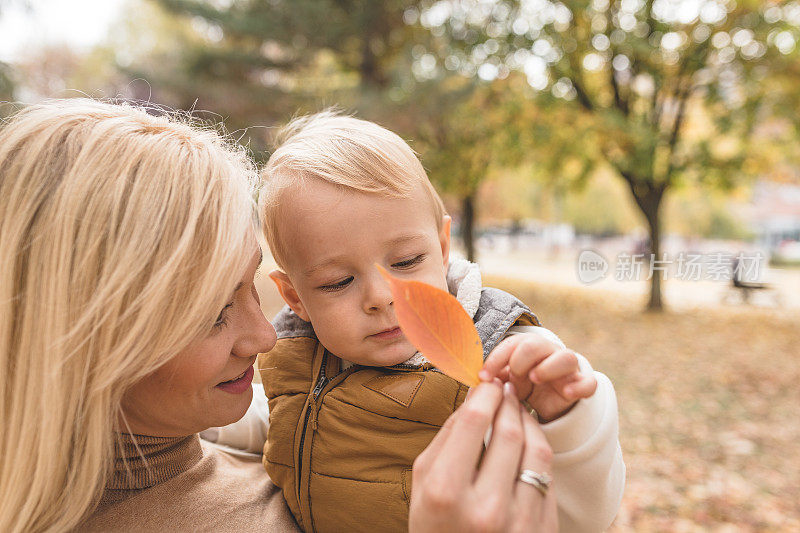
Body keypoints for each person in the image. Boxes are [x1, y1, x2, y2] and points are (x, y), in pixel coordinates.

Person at [0, 99, 559, 532]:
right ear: (81, 342)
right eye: (212, 314)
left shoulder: (217, 433)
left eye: (247, 287)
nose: (267, 336)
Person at [227, 111, 624, 532]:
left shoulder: (499, 358)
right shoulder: (299, 352)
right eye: (337, 282)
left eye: (406, 261)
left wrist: (566, 420)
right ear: (296, 298)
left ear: (441, 246)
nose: (382, 297)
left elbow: (586, 514)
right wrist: (207, 427)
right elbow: (283, 420)